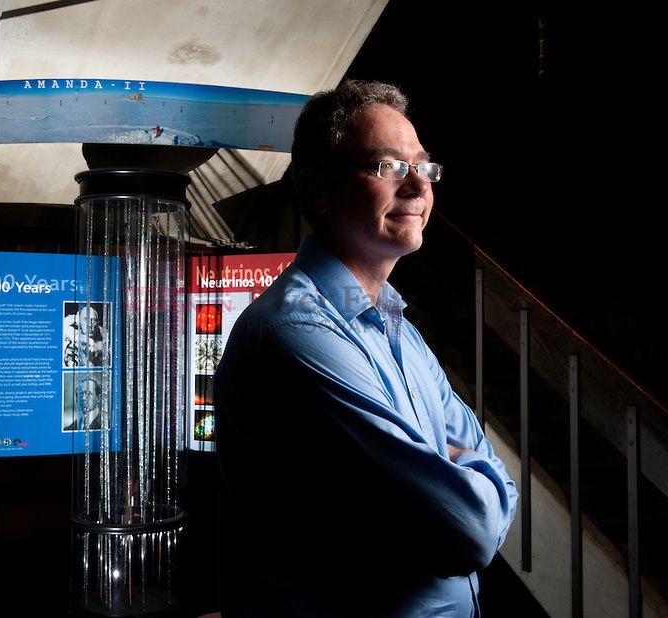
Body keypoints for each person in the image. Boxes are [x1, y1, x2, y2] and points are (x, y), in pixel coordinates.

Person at [213, 79, 518, 617]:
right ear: (317, 191)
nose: (418, 186)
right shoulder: (296, 332)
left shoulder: (393, 320)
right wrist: (466, 472)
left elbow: (477, 478)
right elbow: (469, 531)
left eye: (424, 167)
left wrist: (464, 471)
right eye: (387, 166)